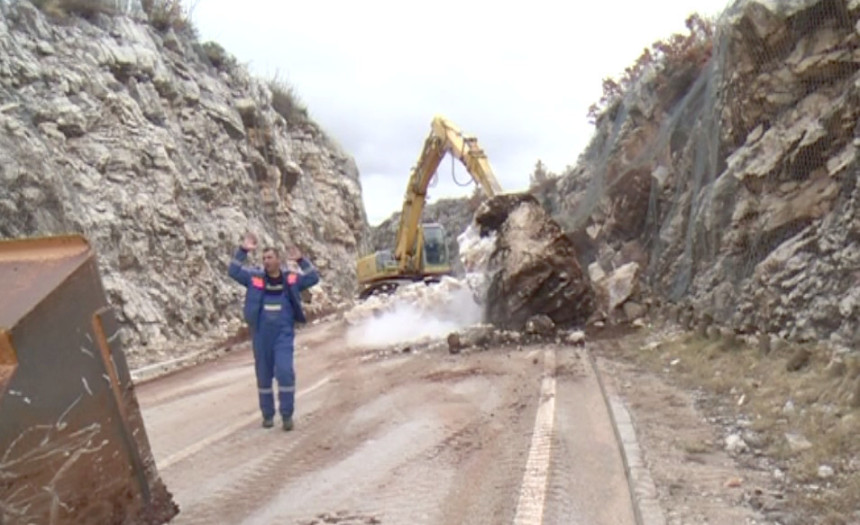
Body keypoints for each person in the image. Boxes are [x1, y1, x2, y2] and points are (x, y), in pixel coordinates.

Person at [227, 232, 320, 431]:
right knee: (263, 376)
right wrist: (243, 250)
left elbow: (313, 277)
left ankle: (287, 415)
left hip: (283, 334)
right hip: (261, 334)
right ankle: (267, 415)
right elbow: (233, 271)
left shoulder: (291, 279)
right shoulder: (254, 278)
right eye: (264, 259)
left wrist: (301, 260)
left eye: (270, 258)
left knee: (285, 372)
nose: (266, 262)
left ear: (278, 260)